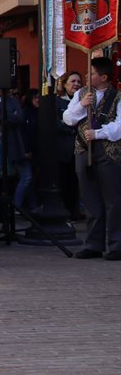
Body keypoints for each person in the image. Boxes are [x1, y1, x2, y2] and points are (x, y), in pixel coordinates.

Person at [63, 57, 121, 261]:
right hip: (83, 150)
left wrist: (100, 134)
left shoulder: (118, 96)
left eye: (92, 73)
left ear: (103, 77)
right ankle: (94, 244)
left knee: (113, 200)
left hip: (109, 151)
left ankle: (116, 244)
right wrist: (81, 105)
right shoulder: (81, 93)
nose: (87, 76)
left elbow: (119, 126)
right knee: (90, 199)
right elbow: (68, 118)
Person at [56, 71, 83, 220]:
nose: (76, 84)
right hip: (64, 150)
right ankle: (66, 210)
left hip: (80, 148)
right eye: (73, 81)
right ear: (65, 84)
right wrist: (72, 128)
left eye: (79, 82)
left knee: (77, 181)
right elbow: (56, 124)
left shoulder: (83, 101)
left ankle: (75, 210)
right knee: (65, 181)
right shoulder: (58, 101)